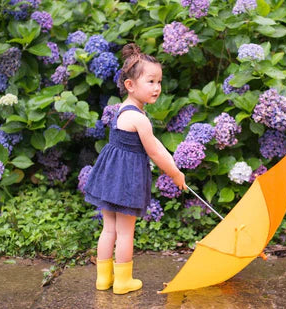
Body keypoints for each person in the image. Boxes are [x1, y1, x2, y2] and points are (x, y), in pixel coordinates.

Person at [84, 43, 185, 295]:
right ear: (130, 85)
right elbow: (156, 151)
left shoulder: (121, 111)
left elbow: (152, 144)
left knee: (109, 229)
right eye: (150, 81)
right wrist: (174, 173)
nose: (157, 87)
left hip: (109, 178)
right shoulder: (139, 118)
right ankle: (123, 280)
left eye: (159, 82)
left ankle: (103, 278)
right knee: (125, 232)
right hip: (126, 182)